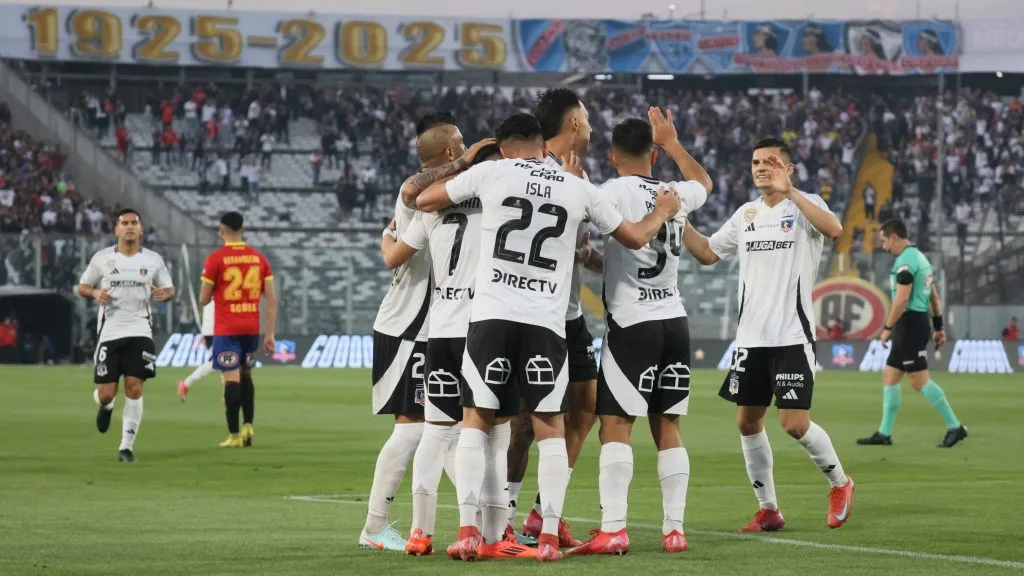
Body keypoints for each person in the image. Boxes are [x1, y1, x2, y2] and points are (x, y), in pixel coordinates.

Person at [416, 113, 680, 562]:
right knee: (550, 427)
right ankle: (550, 539)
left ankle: (466, 532)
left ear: (504, 147)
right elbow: (635, 238)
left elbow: (425, 199)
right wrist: (663, 212)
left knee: (477, 422)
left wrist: (464, 163)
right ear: (541, 145)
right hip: (545, 322)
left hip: (491, 316)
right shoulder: (577, 186)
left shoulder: (491, 171)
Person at [681, 137, 855, 532]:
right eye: (756, 162)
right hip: (751, 339)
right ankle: (769, 509)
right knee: (747, 422)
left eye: (771, 162)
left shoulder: (805, 205)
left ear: (788, 168)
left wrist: (790, 190)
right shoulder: (747, 214)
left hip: (792, 335)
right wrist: (680, 220)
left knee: (794, 424)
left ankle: (840, 482)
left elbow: (834, 229)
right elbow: (708, 253)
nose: (761, 167)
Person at [570, 109, 712, 556]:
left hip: (632, 324)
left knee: (615, 424)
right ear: (652, 152)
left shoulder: (608, 191)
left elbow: (606, 228)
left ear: (612, 156)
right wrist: (673, 144)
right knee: (667, 425)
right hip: (675, 322)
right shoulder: (676, 192)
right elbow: (704, 183)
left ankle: (613, 527)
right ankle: (674, 530)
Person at [383, 136, 534, 559]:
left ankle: (419, 532)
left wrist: (384, 239)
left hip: (440, 332)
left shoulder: (432, 209)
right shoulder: (499, 207)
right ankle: (494, 533)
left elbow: (394, 256)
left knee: (435, 433)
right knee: (493, 432)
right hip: (484, 329)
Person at [506, 87, 595, 548]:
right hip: (534, 314)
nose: (593, 126)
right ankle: (504, 515)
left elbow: (579, 249)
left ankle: (544, 513)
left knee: (586, 406)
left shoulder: (577, 176)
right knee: (524, 425)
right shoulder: (534, 171)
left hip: (571, 315)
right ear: (574, 124)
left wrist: (601, 257)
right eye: (588, 118)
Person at [357, 114, 449, 552]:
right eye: (461, 144)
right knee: (413, 427)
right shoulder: (420, 194)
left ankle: (488, 521)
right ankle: (375, 526)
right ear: (449, 152)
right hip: (410, 325)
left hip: (441, 327)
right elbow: (396, 252)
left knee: (450, 427)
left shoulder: (453, 192)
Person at [857, 220, 967, 448]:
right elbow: (934, 297)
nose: (884, 247)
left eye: (885, 241)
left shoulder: (905, 261)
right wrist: (938, 327)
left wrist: (887, 328)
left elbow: (902, 298)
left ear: (894, 237)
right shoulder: (921, 259)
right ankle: (884, 433)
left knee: (918, 380)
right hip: (915, 322)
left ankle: (955, 427)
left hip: (910, 323)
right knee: (890, 376)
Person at [77, 208, 175, 462]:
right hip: (110, 331)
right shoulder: (102, 258)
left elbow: (169, 287)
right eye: (125, 223)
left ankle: (126, 447)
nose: (130, 227)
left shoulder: (153, 259)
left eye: (134, 223)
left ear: (141, 229)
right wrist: (95, 294)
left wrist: (167, 294)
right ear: (117, 229)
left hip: (141, 329)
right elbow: (83, 285)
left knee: (134, 388)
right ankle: (105, 405)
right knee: (107, 392)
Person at [198, 212, 277, 448]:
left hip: (226, 329)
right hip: (251, 329)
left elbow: (203, 299)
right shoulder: (259, 259)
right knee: (246, 374)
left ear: (221, 231)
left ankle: (233, 435)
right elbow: (271, 299)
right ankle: (248, 425)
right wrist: (270, 334)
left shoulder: (215, 259)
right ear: (243, 230)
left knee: (230, 379)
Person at [177, 301, 217, 402]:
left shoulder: (209, 288)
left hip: (211, 328)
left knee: (224, 362)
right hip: (216, 329)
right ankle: (186, 384)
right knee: (220, 362)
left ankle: (229, 392)